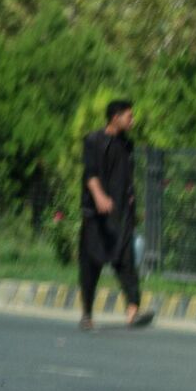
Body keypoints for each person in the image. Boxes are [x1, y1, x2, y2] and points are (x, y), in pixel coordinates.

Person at [79, 100, 153, 332]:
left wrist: (131, 200)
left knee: (126, 260)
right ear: (115, 117)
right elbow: (90, 174)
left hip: (121, 215)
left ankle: (133, 310)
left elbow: (127, 177)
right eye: (129, 116)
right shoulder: (93, 141)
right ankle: (87, 314)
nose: (132, 120)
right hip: (96, 214)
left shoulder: (127, 145)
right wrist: (100, 197)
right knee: (91, 263)